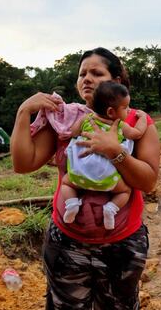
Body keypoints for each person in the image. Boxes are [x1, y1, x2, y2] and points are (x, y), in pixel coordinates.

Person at [10, 47, 160, 309]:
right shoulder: (65, 119)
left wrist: (114, 151)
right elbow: (23, 164)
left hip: (121, 246)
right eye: (82, 74)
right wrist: (24, 112)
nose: (86, 78)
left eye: (96, 73)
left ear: (116, 81)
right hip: (66, 244)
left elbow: (148, 182)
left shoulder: (136, 121)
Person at [62, 81, 148, 230]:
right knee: (125, 191)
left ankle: (72, 204)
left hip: (79, 174)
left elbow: (74, 132)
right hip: (107, 178)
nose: (128, 111)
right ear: (110, 112)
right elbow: (137, 133)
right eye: (125, 107)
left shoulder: (87, 118)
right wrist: (143, 118)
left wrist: (81, 124)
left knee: (65, 183)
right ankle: (111, 209)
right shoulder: (120, 125)